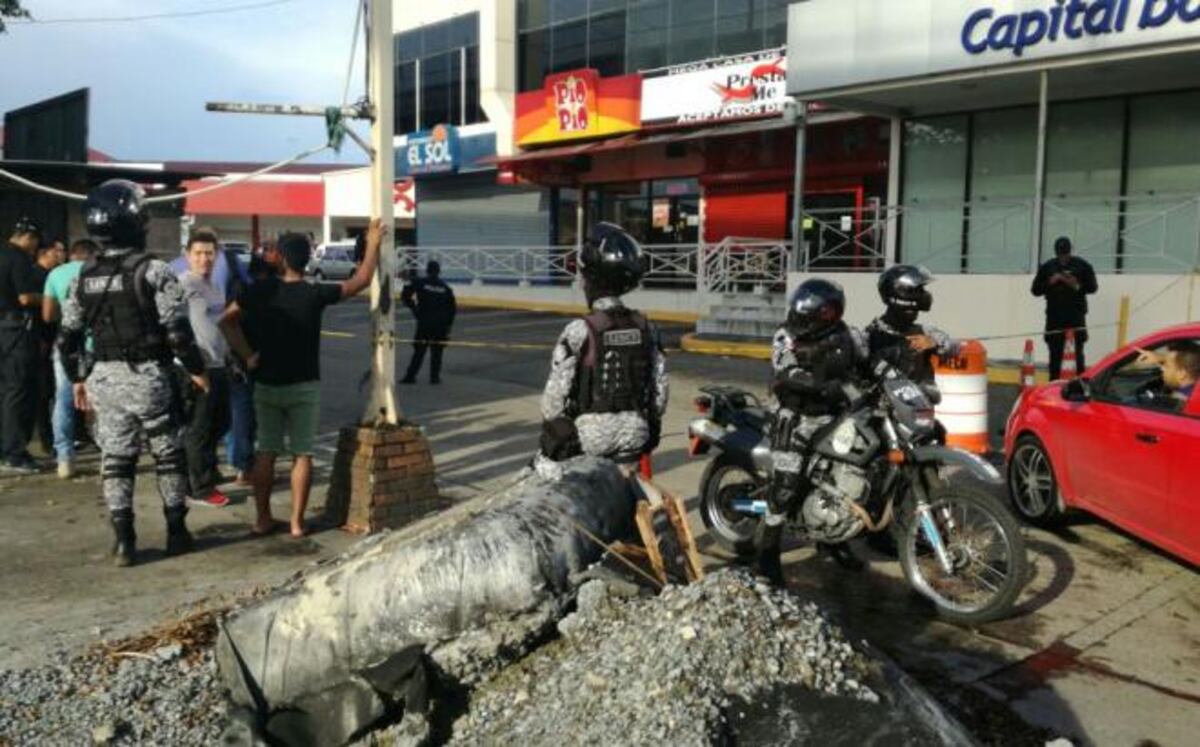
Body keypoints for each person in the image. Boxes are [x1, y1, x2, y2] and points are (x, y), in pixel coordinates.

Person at [58, 180, 210, 567]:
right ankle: (176, 531)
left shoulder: (81, 276)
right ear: (135, 222)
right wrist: (197, 371)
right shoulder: (153, 270)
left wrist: (78, 379)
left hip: (103, 381)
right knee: (167, 453)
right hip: (148, 377)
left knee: (116, 459)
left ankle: (124, 540)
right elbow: (178, 333)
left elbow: (66, 339)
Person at [220, 220, 383, 538]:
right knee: (302, 453)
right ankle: (296, 522)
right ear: (307, 260)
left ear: (279, 258)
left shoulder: (260, 291)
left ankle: (262, 518)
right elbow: (361, 280)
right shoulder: (314, 293)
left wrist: (247, 354)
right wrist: (373, 243)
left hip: (266, 383)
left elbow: (226, 322)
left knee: (266, 450)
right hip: (305, 385)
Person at [760, 278, 871, 585]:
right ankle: (767, 552)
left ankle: (834, 539)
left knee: (843, 477)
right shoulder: (786, 335)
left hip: (835, 415)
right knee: (786, 485)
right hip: (796, 417)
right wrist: (821, 385)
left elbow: (867, 361)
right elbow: (786, 369)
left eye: (819, 310)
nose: (807, 313)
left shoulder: (848, 334)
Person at [539, 222, 668, 466]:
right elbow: (660, 390)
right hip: (636, 434)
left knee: (541, 471)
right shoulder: (646, 328)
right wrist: (649, 423)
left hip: (591, 437)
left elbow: (553, 402)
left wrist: (558, 434)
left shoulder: (579, 330)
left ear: (592, 282)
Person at [179, 231, 233, 507]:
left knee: (222, 422)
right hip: (197, 369)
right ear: (188, 255)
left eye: (209, 253)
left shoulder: (214, 286)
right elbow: (175, 330)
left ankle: (207, 470)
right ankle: (197, 488)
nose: (204, 258)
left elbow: (218, 325)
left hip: (219, 364)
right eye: (198, 253)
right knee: (198, 428)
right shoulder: (183, 285)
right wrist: (192, 369)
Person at [41, 238, 99, 478]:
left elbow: (47, 315)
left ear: (72, 254)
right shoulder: (101, 272)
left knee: (63, 399)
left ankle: (65, 459)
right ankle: (109, 456)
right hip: (100, 345)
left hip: (68, 346)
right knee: (102, 402)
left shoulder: (56, 274)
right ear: (93, 255)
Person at [0, 216, 45, 474]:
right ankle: (14, 453)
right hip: (14, 329)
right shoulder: (18, 258)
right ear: (29, 238)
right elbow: (26, 297)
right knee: (17, 390)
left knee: (3, 390)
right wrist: (49, 299)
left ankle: (5, 447)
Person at [1032, 237, 1098, 380]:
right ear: (1056, 253)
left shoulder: (1082, 266)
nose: (1063, 258)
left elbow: (1093, 287)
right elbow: (1035, 290)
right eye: (1060, 255)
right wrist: (1050, 281)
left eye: (1066, 254)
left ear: (1070, 251)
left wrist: (1076, 284)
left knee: (1078, 359)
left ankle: (1079, 389)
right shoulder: (1048, 267)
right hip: (1054, 320)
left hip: (1076, 320)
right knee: (1055, 359)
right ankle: (1054, 388)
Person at [30, 242, 65, 457]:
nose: (62, 255)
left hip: (51, 336)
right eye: (57, 251)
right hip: (41, 338)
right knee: (44, 392)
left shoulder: (50, 274)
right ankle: (46, 438)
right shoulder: (38, 275)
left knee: (51, 391)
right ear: (45, 253)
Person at [400, 260, 457, 385]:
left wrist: (414, 309)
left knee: (419, 351)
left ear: (427, 270)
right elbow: (452, 310)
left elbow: (405, 295)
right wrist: (448, 328)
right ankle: (434, 377)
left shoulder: (420, 282)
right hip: (440, 325)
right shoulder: (446, 288)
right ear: (439, 272)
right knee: (437, 352)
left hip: (424, 322)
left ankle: (410, 376)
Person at [1136, 341, 1200, 409]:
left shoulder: (1180, 402)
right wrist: (1162, 359)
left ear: (1182, 374)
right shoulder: (1194, 393)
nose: (1162, 369)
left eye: (1167, 366)